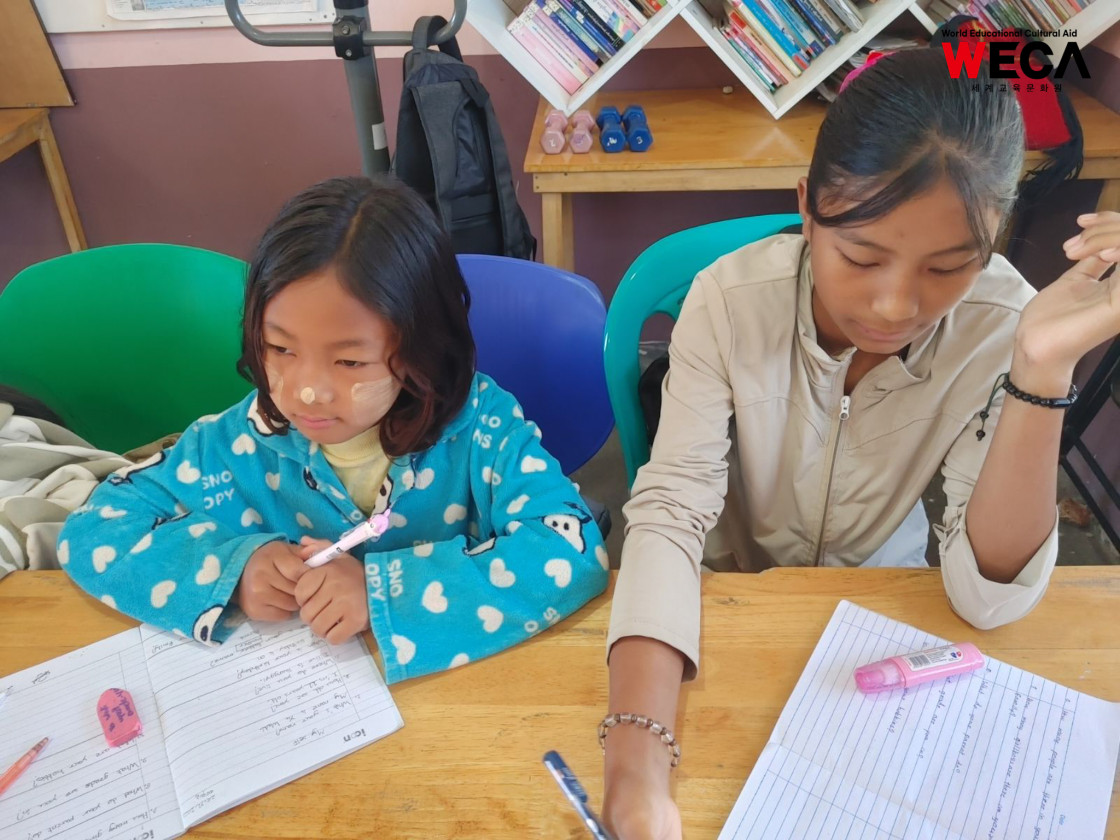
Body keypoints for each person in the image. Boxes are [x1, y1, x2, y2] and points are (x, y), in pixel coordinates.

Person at [600, 49, 1120, 838]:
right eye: (861, 257)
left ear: (994, 242)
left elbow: (990, 599)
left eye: (950, 267)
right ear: (808, 210)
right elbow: (671, 512)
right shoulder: (729, 303)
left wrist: (1042, 367)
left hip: (884, 610)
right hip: (727, 600)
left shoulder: (1002, 323)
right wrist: (636, 763)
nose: (894, 306)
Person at [59, 175, 609, 683]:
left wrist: (382, 592)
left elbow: (573, 554)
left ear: (422, 348)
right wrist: (233, 569)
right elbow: (93, 530)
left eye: (349, 362)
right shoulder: (237, 443)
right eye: (280, 349)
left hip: (458, 701)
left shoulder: (481, 427)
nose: (307, 392)